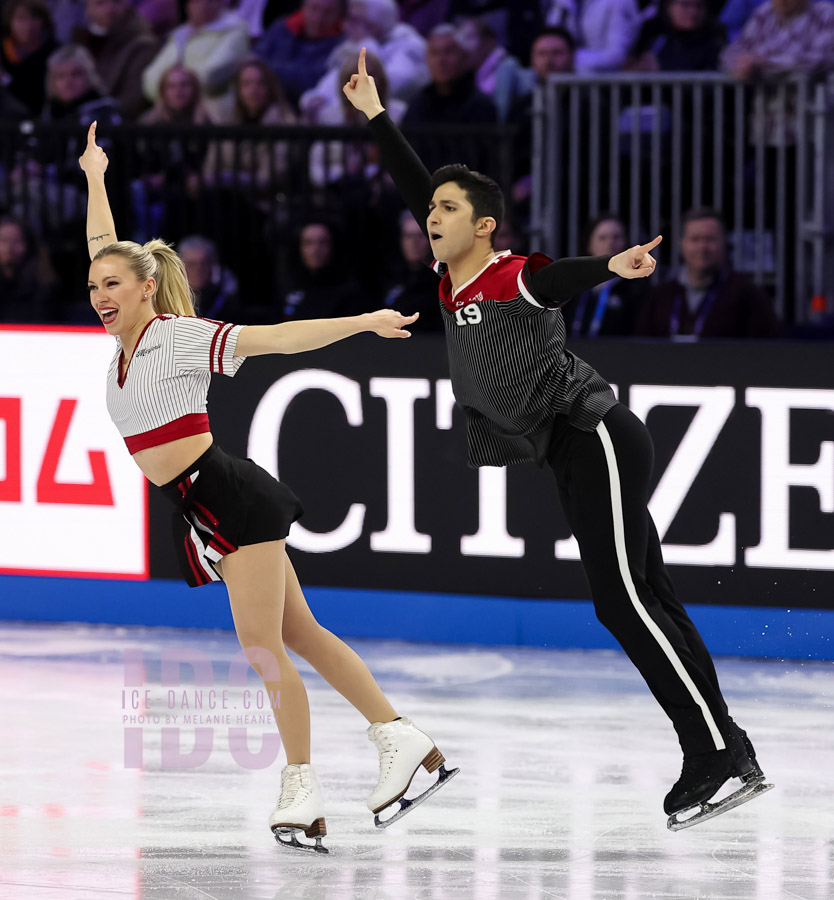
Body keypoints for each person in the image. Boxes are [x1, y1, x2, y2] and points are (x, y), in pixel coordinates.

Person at [344, 47, 771, 828]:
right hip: (574, 450)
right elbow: (413, 188)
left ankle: (717, 751)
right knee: (649, 601)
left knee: (624, 602)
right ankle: (723, 745)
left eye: (446, 210)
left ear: (484, 226)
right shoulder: (453, 279)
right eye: (429, 210)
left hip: (594, 434)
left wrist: (612, 263)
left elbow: (555, 278)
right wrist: (376, 113)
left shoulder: (505, 274)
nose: (430, 216)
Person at [78, 121, 455, 852]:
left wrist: (365, 323)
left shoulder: (175, 336)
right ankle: (401, 740)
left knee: (263, 645)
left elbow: (278, 338)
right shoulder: (120, 342)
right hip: (199, 503)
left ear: (147, 288)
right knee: (298, 633)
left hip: (224, 494)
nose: (99, 293)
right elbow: (103, 245)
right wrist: (95, 176)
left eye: (113, 285)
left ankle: (302, 786)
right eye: (94, 287)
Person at [636, 208, 781, 338]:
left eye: (710, 239)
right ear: (682, 245)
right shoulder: (661, 297)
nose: (702, 247)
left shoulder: (749, 295)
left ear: (725, 243)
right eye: (695, 239)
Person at [141, 0, 250, 121]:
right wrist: (173, 90)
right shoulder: (180, 34)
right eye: (195, 2)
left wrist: (174, 86)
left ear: (220, 3)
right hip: (170, 109)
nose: (202, 5)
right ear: (187, 6)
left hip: (215, 110)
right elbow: (150, 79)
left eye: (208, 1)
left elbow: (211, 75)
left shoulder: (235, 31)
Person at [562, 214, 649, 337]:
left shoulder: (636, 289)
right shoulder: (574, 287)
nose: (610, 243)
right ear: (589, 245)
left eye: (617, 237)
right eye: (602, 238)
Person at [72, 0, 160, 120]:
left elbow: (133, 101)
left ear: (126, 5)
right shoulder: (81, 41)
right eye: (100, 3)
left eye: (116, 2)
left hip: (119, 126)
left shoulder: (142, 45)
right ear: (88, 10)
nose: (109, 10)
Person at [256, 0, 345, 108]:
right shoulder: (282, 27)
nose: (318, 18)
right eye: (314, 9)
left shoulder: (342, 45)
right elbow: (254, 59)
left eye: (328, 12)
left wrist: (268, 71)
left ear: (339, 15)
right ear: (303, 7)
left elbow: (310, 81)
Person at [281, 221, 364, 320]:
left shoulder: (349, 291)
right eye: (308, 243)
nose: (315, 250)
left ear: (333, 246)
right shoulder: (288, 285)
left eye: (323, 242)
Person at [382, 211, 445, 329]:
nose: (414, 243)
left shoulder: (444, 283)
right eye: (408, 236)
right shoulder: (390, 279)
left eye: (420, 236)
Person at [626, 0, 726, 72]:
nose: (693, 12)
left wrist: (661, 71)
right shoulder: (651, 35)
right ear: (668, 7)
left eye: (699, 5)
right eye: (685, 5)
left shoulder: (715, 38)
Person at [0, 0, 59, 116]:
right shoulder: (3, 51)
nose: (28, 26)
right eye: (21, 18)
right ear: (9, 21)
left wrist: (4, 78)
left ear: (44, 21)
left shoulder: (55, 53)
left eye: (34, 18)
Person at [0, 216, 57, 323]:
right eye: (4, 240)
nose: (9, 248)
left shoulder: (43, 285)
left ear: (28, 246)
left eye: (16, 241)